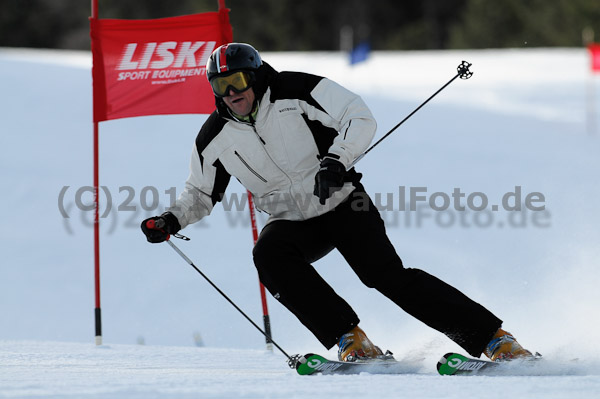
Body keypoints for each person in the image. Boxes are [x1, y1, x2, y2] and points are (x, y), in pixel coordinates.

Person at [141, 43, 532, 363]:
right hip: (291, 218)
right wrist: (171, 220)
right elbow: (200, 191)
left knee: (385, 277)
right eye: (220, 85)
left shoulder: (297, 91)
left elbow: (358, 115)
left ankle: (496, 340)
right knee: (270, 254)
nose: (231, 93)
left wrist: (336, 161)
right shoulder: (215, 137)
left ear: (256, 76)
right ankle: (353, 341)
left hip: (342, 200)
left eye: (238, 80)